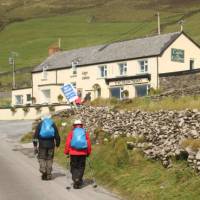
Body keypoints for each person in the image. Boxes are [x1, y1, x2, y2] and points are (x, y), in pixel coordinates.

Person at [64, 119, 91, 189]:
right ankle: (78, 179)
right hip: (83, 153)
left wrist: (66, 152)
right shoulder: (85, 132)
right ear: (81, 125)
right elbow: (88, 143)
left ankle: (75, 179)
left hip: (73, 153)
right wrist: (88, 152)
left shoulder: (72, 133)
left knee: (73, 166)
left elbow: (68, 143)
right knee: (81, 167)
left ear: (74, 126)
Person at [33, 114, 60, 180]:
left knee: (41, 158)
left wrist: (35, 145)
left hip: (42, 145)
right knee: (49, 159)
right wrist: (57, 145)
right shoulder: (52, 124)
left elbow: (35, 136)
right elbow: (57, 136)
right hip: (51, 145)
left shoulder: (40, 124)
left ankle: (43, 170)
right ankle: (48, 175)